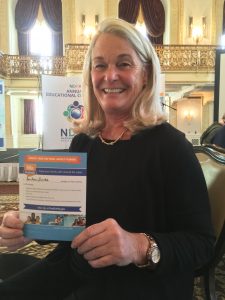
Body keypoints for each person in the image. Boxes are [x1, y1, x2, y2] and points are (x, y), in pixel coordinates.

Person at [0, 18, 215, 300]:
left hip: (139, 288)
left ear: (146, 74)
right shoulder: (84, 141)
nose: (109, 76)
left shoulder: (171, 148)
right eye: (100, 65)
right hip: (75, 271)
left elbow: (202, 247)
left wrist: (137, 246)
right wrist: (29, 227)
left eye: (124, 64)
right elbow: (72, 222)